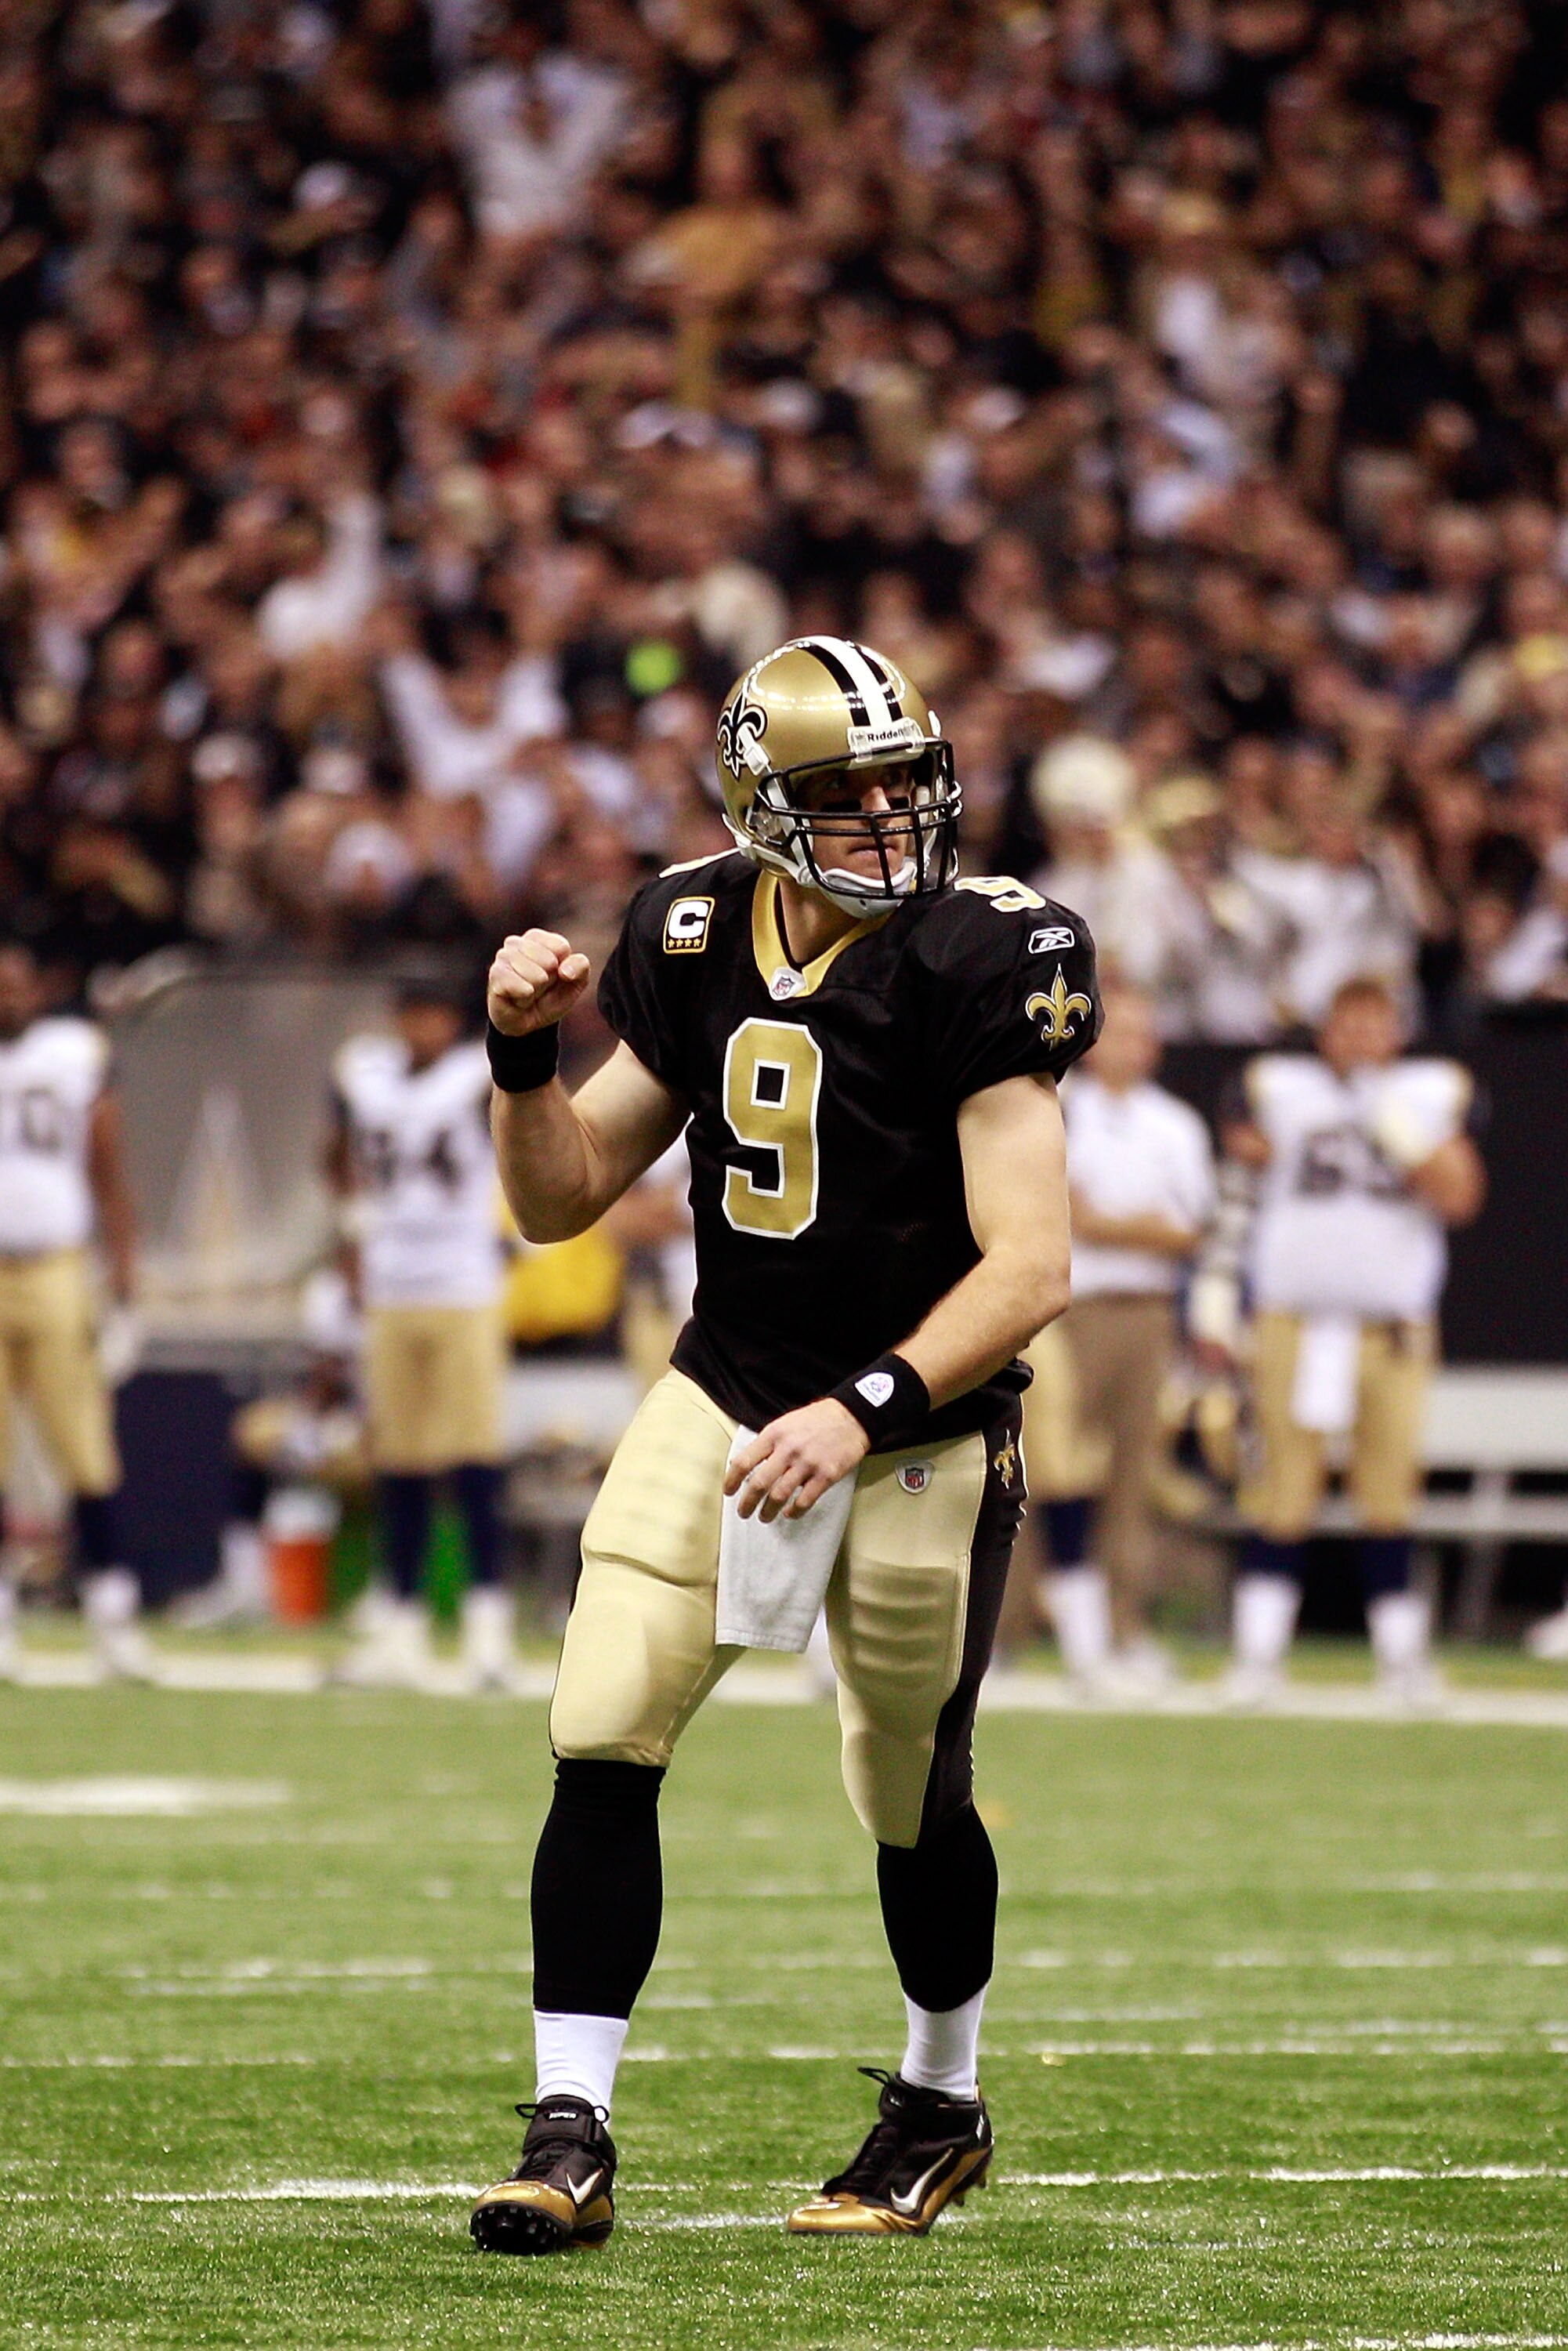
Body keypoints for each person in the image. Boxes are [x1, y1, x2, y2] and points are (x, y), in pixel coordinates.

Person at [469, 637, 1099, 2254]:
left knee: (902, 1780)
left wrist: (862, 1406)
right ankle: (567, 2128)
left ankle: (937, 2102)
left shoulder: (983, 950)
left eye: (905, 779)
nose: (891, 815)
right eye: (846, 791)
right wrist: (520, 1056)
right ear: (761, 806)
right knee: (603, 1714)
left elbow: (1029, 1266)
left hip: (914, 1424)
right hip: (731, 1385)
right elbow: (555, 1198)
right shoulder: (686, 927)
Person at [1221, 978, 1485, 1706]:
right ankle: (1257, 1657)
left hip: (1390, 1328)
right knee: (1280, 1488)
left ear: (1398, 1032)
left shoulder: (1429, 1092)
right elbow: (1242, 1146)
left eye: (1377, 1024)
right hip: (1292, 1323)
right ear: (1326, 1030)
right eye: (1350, 1024)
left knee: (1388, 1492)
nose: (1363, 1038)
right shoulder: (1282, 1086)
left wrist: (1397, 1130)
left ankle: (1401, 1662)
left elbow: (1460, 1196)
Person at [326, 973, 517, 1692]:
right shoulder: (364, 1074)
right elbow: (336, 1156)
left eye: (433, 1014)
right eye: (411, 1013)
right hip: (390, 1282)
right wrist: (348, 1233)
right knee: (399, 1462)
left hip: (463, 1283)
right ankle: (400, 1624)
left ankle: (486, 1628)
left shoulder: (476, 1076)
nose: (420, 1027)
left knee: (474, 1460)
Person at [1030, 982, 1215, 1695]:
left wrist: (1106, 1222)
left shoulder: (1174, 1125)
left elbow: (1190, 1230)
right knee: (1046, 1466)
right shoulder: (1054, 1108)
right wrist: (1133, 1225)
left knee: (1133, 1475)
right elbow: (1054, 1215)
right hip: (1063, 1308)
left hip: (1146, 1310)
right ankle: (1013, 1628)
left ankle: (1122, 1627)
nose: (1127, 1047)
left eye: (1141, 1032)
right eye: (1116, 1031)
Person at [0, 940, 147, 1681]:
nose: (7, 997)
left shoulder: (72, 1052)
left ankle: (113, 1617)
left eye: (16, 982)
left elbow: (108, 1168)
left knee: (84, 1447)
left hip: (56, 1266)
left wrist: (123, 1282)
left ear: (37, 987)